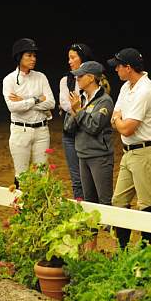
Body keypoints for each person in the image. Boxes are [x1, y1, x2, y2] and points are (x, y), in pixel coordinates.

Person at [107, 48, 151, 249]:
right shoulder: (127, 87)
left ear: (128, 68)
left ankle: (145, 249)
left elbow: (127, 128)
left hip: (145, 151)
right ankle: (123, 250)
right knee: (119, 200)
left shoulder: (145, 90)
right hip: (130, 152)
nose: (115, 70)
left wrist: (119, 121)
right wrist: (119, 120)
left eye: (118, 66)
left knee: (146, 203)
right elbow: (116, 115)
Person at [3, 38, 55, 188]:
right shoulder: (9, 80)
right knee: (22, 176)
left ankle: (42, 211)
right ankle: (21, 210)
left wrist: (24, 101)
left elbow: (51, 103)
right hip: (20, 130)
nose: (33, 59)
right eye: (29, 55)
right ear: (19, 57)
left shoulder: (41, 77)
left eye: (34, 56)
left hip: (42, 131)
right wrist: (36, 100)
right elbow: (12, 107)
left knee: (41, 175)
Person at [65, 61, 114, 206]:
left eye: (80, 76)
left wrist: (78, 111)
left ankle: (110, 228)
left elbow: (94, 127)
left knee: (104, 201)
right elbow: (68, 128)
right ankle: (92, 230)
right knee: (89, 202)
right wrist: (75, 111)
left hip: (99, 156)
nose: (77, 79)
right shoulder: (80, 99)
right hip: (83, 155)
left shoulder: (105, 101)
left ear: (91, 77)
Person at [59, 43, 93, 199]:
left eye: (73, 57)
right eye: (68, 58)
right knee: (76, 178)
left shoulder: (95, 78)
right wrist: (78, 106)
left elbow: (96, 102)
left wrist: (77, 106)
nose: (69, 61)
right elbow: (65, 104)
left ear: (83, 59)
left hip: (88, 132)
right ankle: (80, 214)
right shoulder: (66, 80)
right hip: (71, 133)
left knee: (91, 176)